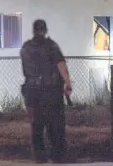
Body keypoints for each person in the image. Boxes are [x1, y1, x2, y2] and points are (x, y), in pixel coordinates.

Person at [20, 20, 72, 163]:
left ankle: (39, 157)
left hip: (31, 92)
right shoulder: (51, 47)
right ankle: (57, 156)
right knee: (55, 126)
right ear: (45, 30)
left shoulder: (25, 48)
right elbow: (61, 65)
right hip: (51, 92)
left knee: (36, 126)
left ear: (34, 30)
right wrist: (68, 84)